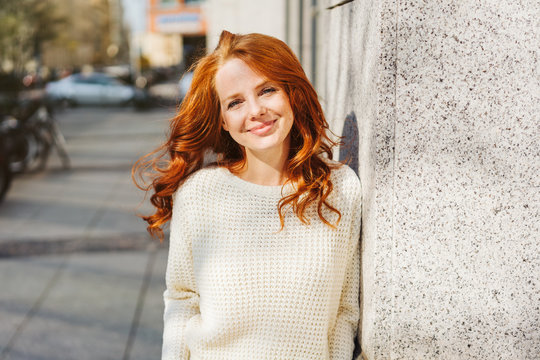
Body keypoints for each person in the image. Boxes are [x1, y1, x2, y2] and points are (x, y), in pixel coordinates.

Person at [133, 30, 362, 360]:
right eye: (235, 102)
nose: (255, 110)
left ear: (291, 94)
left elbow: (344, 310)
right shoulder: (199, 194)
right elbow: (183, 300)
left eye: (267, 90)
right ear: (224, 121)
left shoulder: (339, 189)